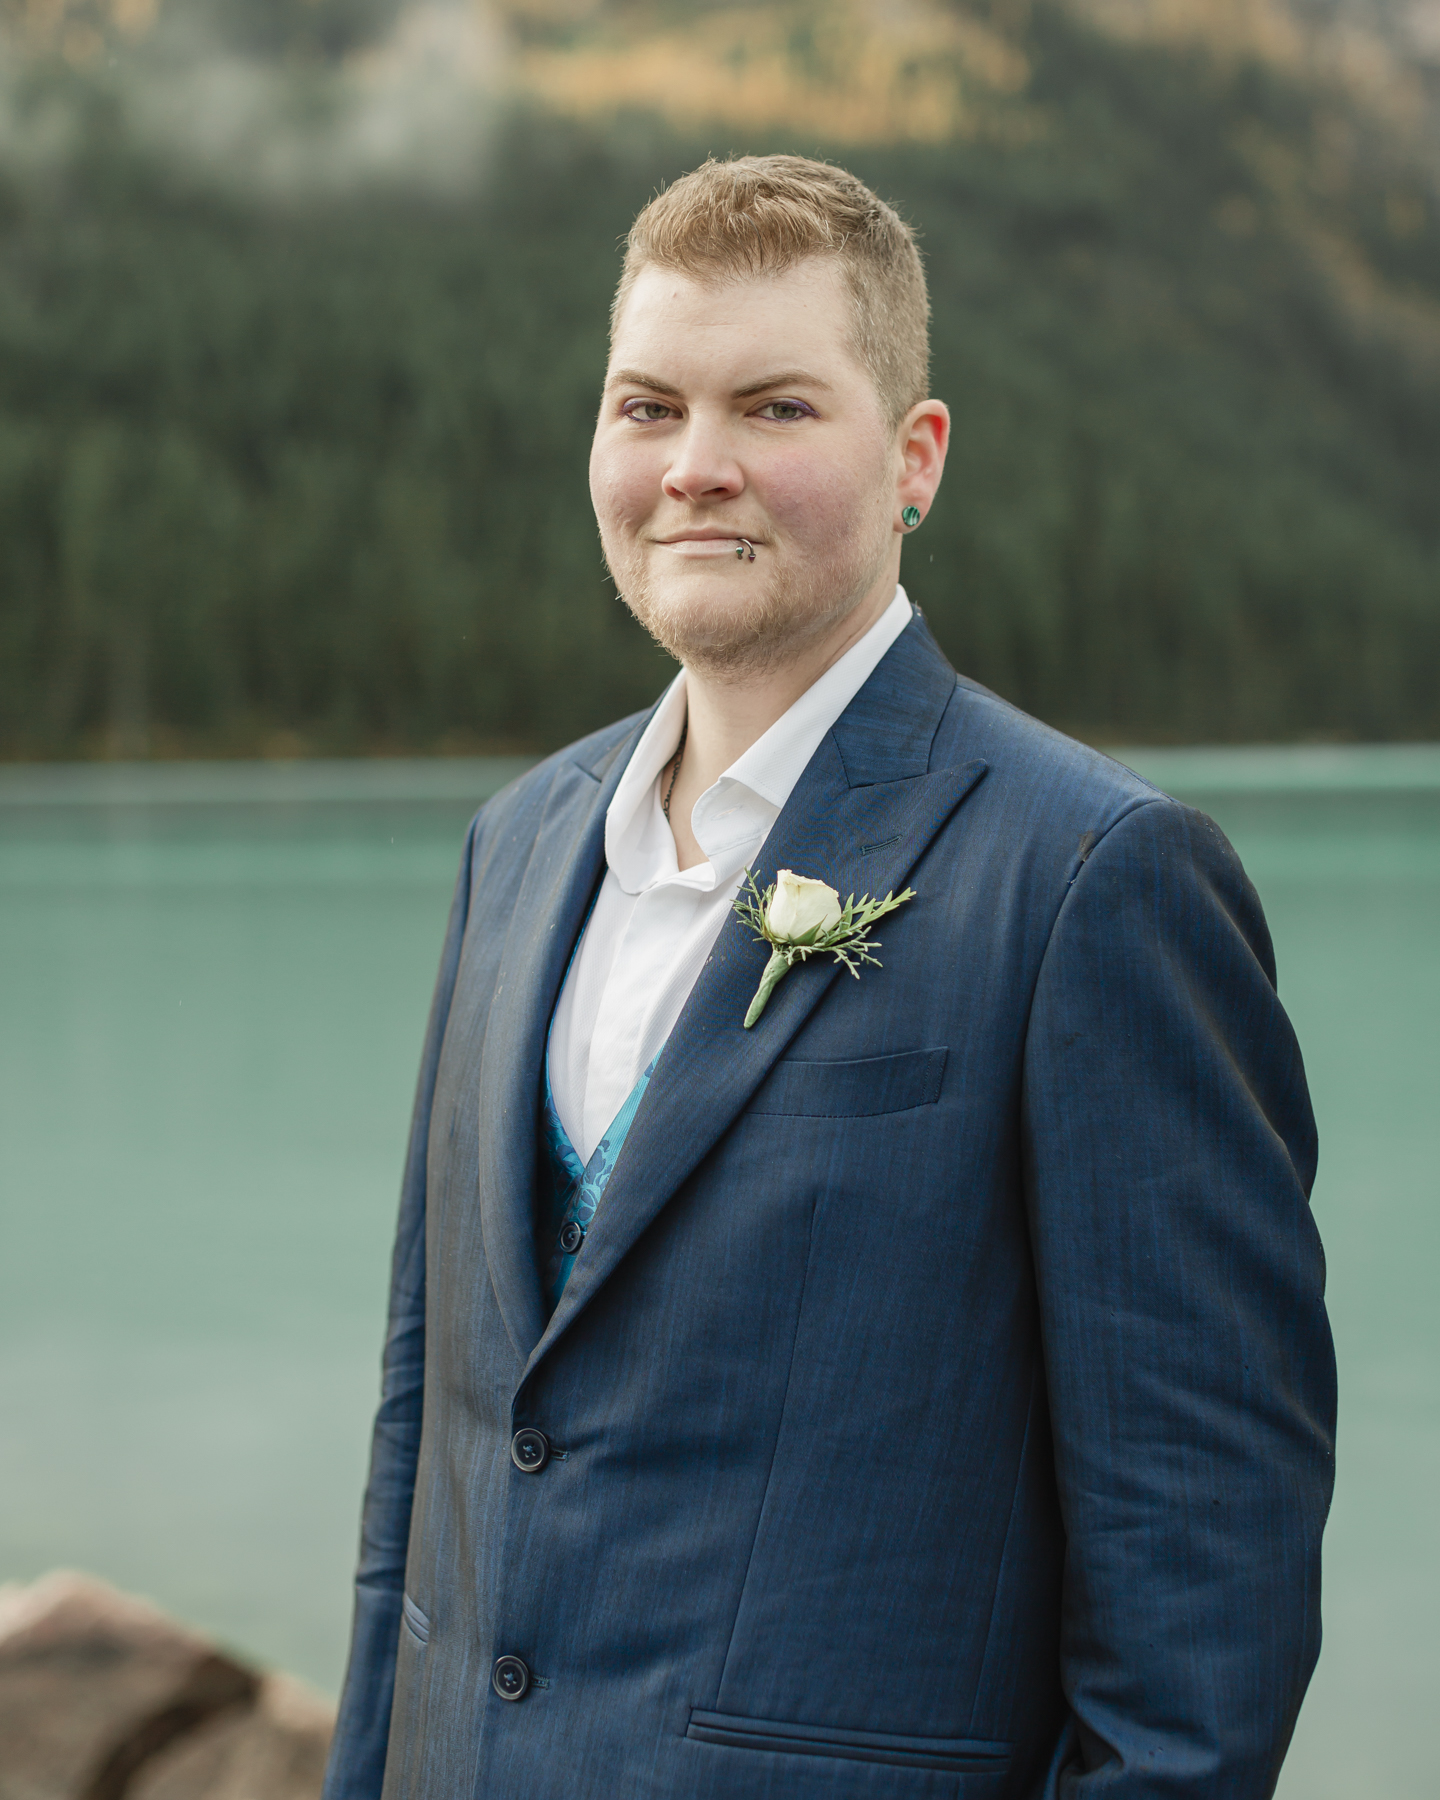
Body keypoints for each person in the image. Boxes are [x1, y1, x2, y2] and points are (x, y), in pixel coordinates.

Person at [323, 155, 1335, 1800]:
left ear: (913, 459)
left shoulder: (1097, 879)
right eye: (646, 407)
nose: (694, 468)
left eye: (775, 409)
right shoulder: (512, 848)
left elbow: (1203, 1582)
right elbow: (419, 1454)